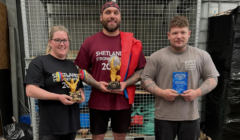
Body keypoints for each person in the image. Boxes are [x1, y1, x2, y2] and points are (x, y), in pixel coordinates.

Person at [74, 1, 146, 140]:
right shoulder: (90, 42)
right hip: (98, 101)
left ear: (120, 17)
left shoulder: (131, 42)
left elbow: (142, 70)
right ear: (101, 17)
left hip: (122, 101)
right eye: (108, 12)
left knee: (120, 136)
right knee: (98, 136)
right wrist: (96, 84)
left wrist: (125, 84)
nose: (112, 16)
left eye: (115, 13)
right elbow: (81, 70)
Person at [141, 16, 219, 140]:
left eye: (183, 32)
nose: (179, 36)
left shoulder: (201, 55)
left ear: (189, 34)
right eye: (175, 33)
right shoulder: (157, 57)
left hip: (190, 117)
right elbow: (145, 80)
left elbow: (213, 78)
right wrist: (162, 93)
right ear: (168, 35)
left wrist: (197, 92)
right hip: (164, 117)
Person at [24, 26, 85, 140]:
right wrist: (58, 97)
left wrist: (81, 97)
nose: (62, 44)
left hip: (71, 125)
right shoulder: (39, 62)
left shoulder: (72, 65)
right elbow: (30, 90)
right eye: (57, 40)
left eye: (64, 40)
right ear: (50, 42)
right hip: (51, 126)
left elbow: (79, 88)